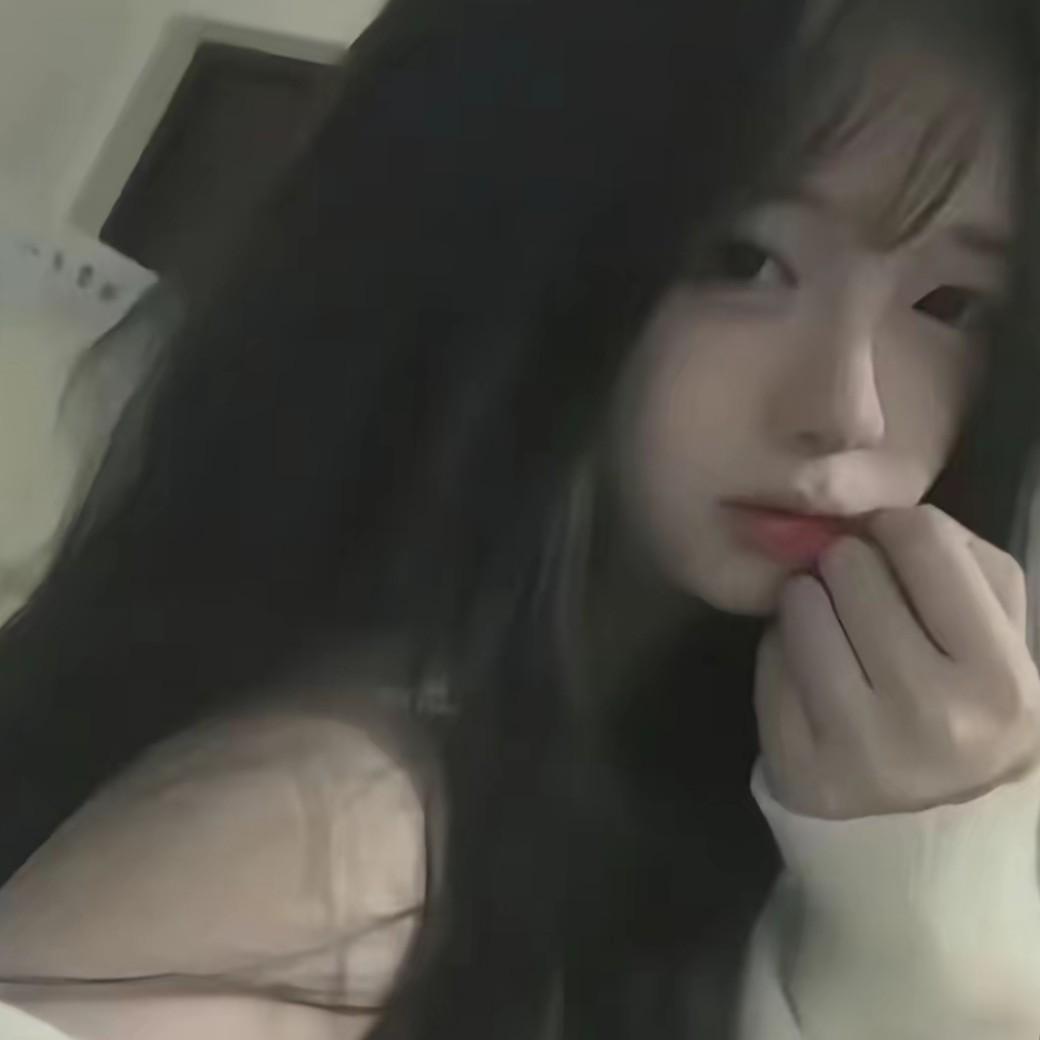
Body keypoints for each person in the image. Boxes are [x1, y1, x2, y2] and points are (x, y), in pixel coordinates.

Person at [1, 0, 1039, 1036]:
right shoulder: (333, 822)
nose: (850, 410)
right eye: (742, 261)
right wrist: (939, 934)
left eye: (949, 304)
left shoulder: (714, 767)